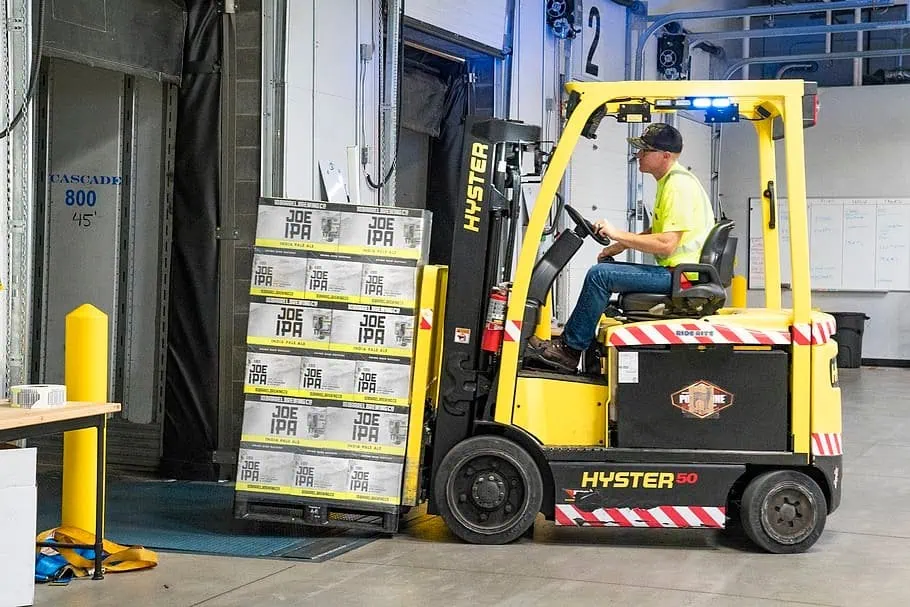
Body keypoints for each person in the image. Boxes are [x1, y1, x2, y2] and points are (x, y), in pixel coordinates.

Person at [529, 122, 716, 372]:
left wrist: (617, 232)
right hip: (678, 273)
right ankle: (576, 344)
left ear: (665, 155)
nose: (638, 155)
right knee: (605, 269)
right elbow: (659, 231)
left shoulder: (678, 186)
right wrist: (618, 245)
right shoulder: (669, 181)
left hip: (681, 277)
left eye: (645, 150)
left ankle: (569, 351)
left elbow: (667, 244)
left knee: (600, 275)